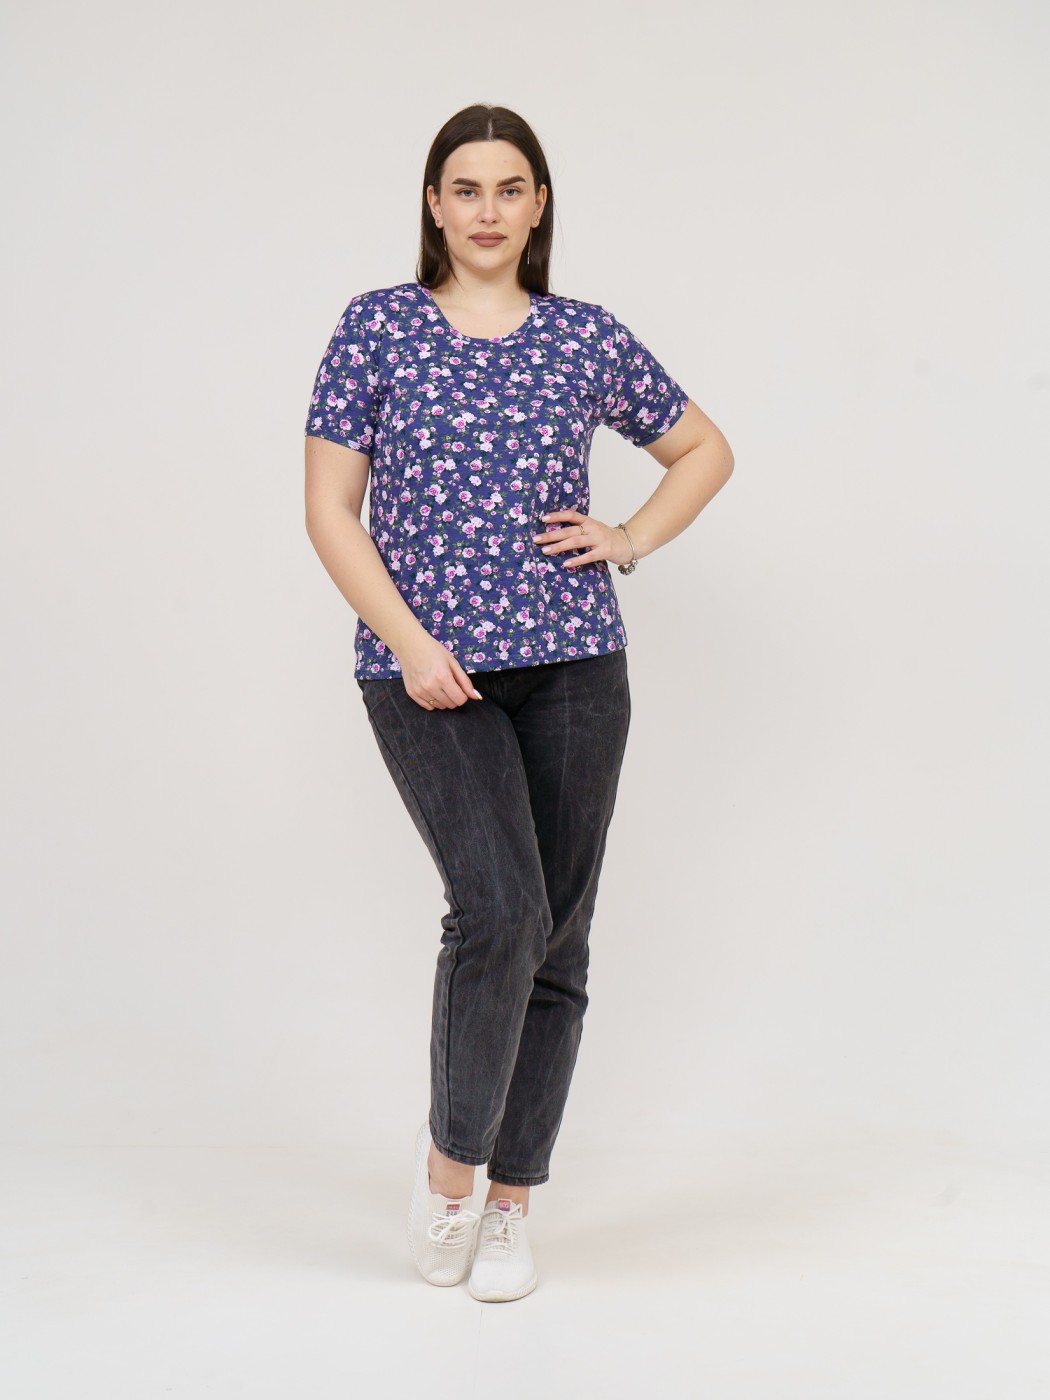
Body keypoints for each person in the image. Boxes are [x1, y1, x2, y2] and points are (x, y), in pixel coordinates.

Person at [303, 103, 734, 1303]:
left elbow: (704, 449)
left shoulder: (585, 336)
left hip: (575, 667)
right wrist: (410, 641)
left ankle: (510, 1202)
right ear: (433, 204)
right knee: (498, 907)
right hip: (424, 668)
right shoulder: (378, 325)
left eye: (509, 188)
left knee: (557, 934)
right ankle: (450, 1172)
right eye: (465, 187)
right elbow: (330, 508)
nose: (486, 210)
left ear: (539, 205)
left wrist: (628, 536)